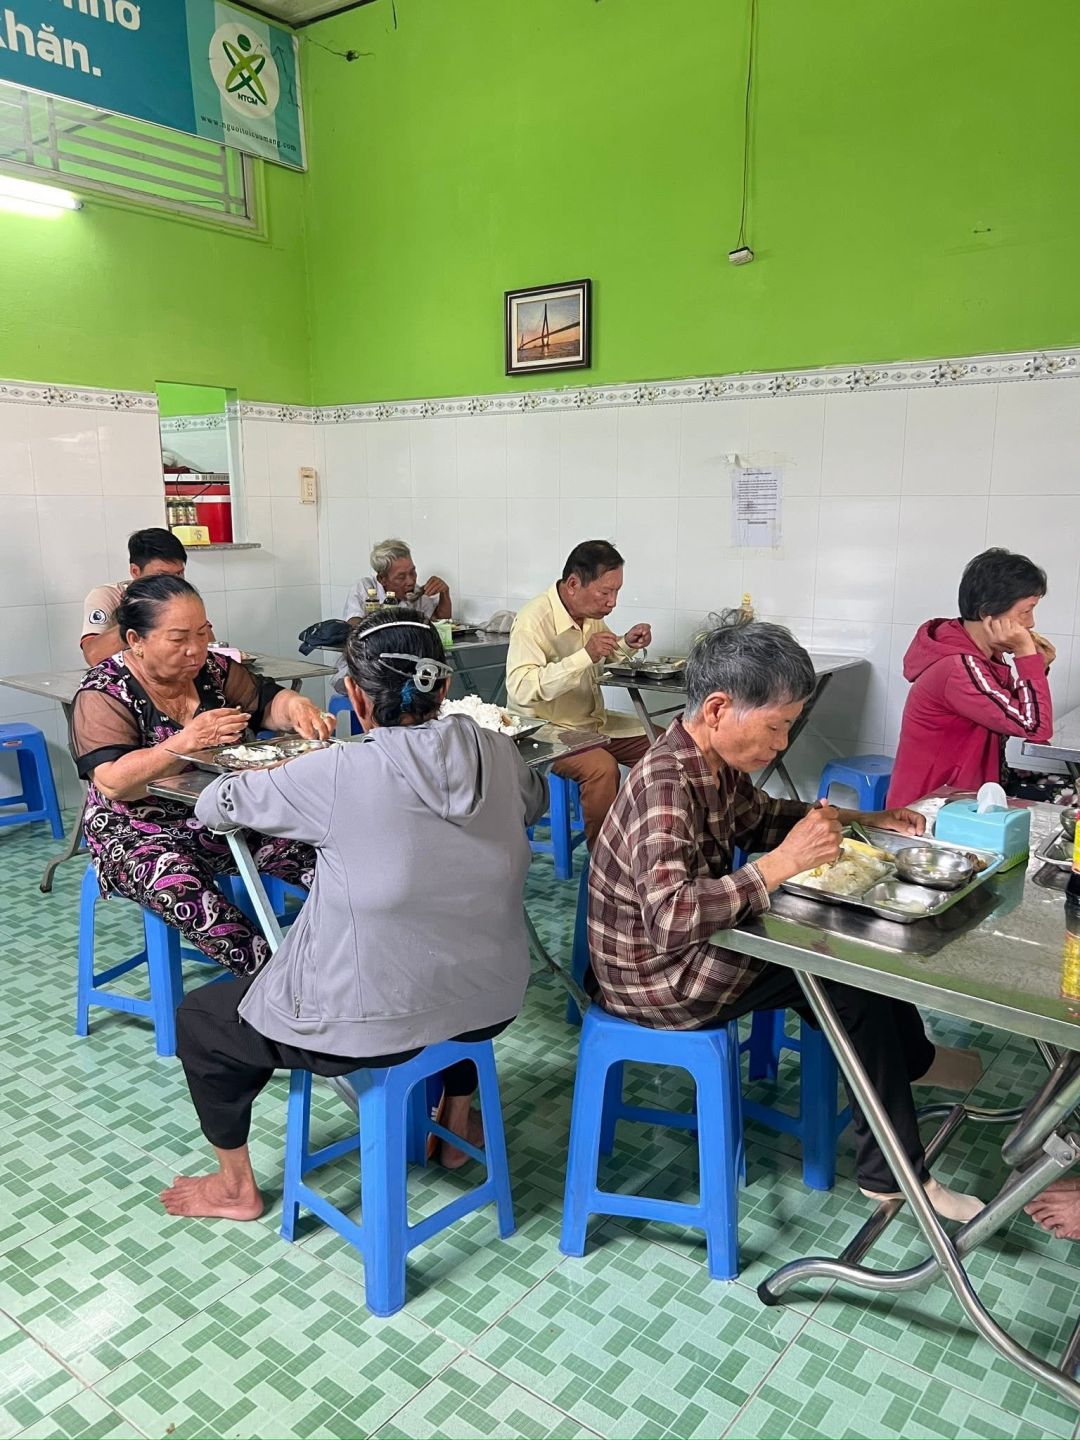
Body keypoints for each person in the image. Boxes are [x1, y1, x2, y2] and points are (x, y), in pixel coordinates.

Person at [588, 614, 985, 1222]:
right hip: (656, 978)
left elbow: (766, 818)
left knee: (858, 961)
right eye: (776, 727)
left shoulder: (711, 764)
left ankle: (912, 1066)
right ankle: (895, 1169)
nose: (781, 744)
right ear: (718, 709)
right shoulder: (665, 784)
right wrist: (780, 865)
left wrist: (865, 821)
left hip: (686, 951)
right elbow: (670, 918)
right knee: (842, 972)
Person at [159, 609, 547, 1219]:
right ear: (444, 688)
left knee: (203, 1022)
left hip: (371, 1025)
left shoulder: (335, 772)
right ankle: (457, 1121)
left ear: (355, 697)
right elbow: (533, 801)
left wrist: (287, 775)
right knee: (451, 962)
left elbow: (215, 805)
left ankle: (234, 1189)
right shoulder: (498, 751)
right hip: (492, 1000)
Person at [70, 575, 333, 977]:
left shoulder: (213, 670)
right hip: (137, 831)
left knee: (325, 858)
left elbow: (266, 702)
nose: (195, 649)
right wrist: (185, 742)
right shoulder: (104, 691)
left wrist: (296, 707)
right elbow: (113, 781)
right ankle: (280, 984)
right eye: (178, 639)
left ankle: (347, 960)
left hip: (224, 814)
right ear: (136, 640)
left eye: (202, 632)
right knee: (188, 893)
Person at [506, 540, 652, 848]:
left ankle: (653, 841)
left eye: (617, 592)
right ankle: (605, 860)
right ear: (573, 584)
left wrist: (625, 643)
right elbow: (521, 688)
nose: (612, 602)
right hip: (546, 730)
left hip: (591, 723)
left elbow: (600, 655)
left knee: (665, 745)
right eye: (605, 592)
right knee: (601, 769)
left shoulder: (590, 613)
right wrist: (584, 656)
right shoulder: (533, 619)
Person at [887, 548, 1055, 808]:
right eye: (1026, 611)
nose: (1031, 623)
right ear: (988, 614)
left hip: (969, 791)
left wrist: (1037, 666)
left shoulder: (983, 657)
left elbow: (1011, 714)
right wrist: (1025, 656)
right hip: (930, 808)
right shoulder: (958, 667)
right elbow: (1034, 727)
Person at [80, 527, 197, 667]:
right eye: (161, 575)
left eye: (179, 574)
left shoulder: (182, 597)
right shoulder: (108, 595)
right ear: (135, 571)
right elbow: (93, 656)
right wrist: (142, 613)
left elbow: (209, 648)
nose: (171, 583)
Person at [343, 538, 452, 623]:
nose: (411, 581)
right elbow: (353, 623)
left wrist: (445, 594)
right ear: (382, 579)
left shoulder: (416, 593)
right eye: (401, 577)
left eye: (412, 572)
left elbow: (441, 623)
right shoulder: (365, 588)